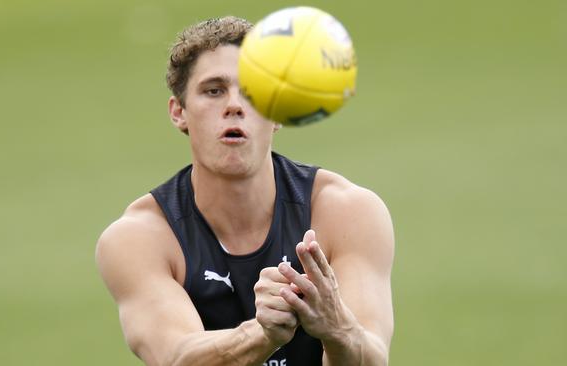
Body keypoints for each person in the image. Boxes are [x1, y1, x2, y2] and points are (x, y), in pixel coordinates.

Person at [96, 16, 394, 366]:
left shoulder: (347, 211)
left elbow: (372, 358)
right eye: (213, 90)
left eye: (253, 91)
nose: (234, 105)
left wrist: (337, 328)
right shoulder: (140, 237)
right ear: (179, 112)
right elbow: (177, 357)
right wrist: (262, 333)